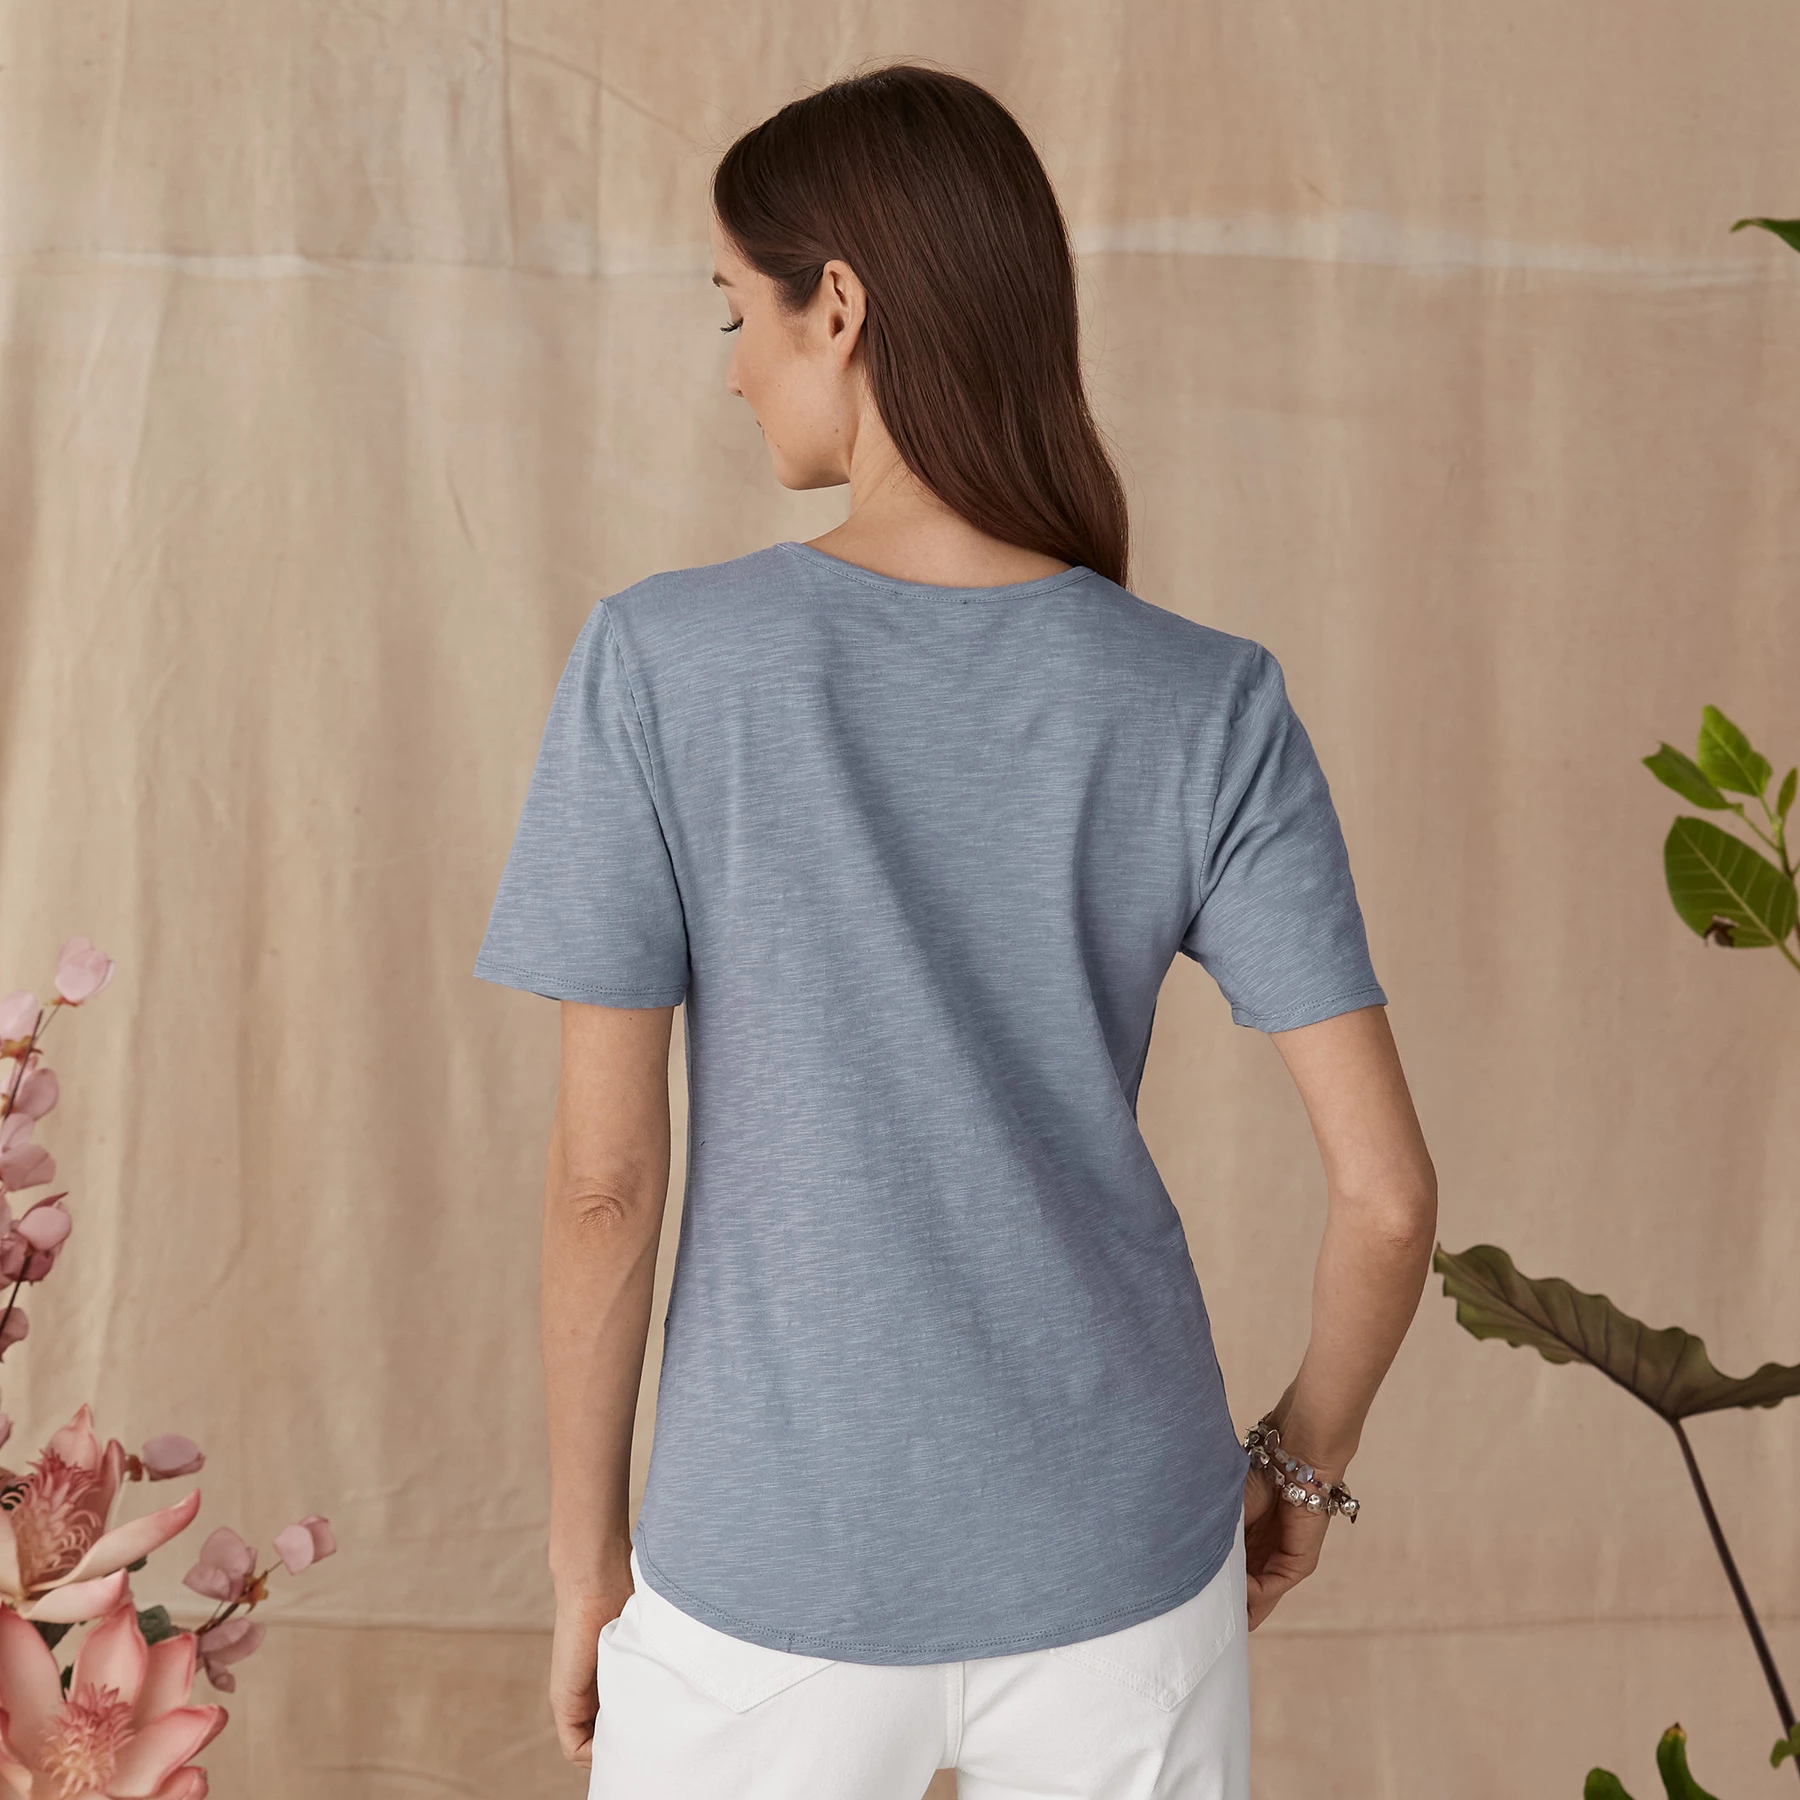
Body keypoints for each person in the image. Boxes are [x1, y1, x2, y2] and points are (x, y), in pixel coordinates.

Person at [473, 61, 1437, 1800]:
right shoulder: (1205, 699)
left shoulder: (661, 665)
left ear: (837, 306)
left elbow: (606, 1185)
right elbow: (1387, 1199)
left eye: (738, 312)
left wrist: (582, 1569)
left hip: (769, 1564)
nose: (735, 366)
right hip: (1125, 1555)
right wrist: (1303, 1466)